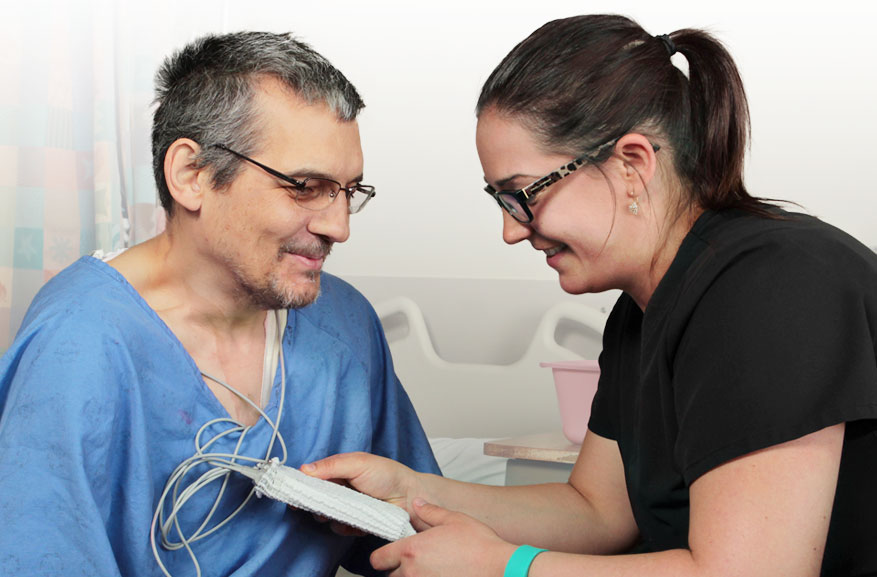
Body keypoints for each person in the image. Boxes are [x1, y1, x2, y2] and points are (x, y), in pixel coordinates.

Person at [304, 14, 877, 577]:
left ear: (632, 164)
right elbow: (598, 511)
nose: (511, 229)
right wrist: (411, 491)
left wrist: (507, 568)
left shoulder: (772, 286)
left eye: (521, 195)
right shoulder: (640, 311)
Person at [0, 31, 439, 576]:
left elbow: (414, 537)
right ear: (193, 175)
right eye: (304, 185)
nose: (339, 227)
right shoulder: (79, 342)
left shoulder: (344, 326)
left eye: (349, 191)